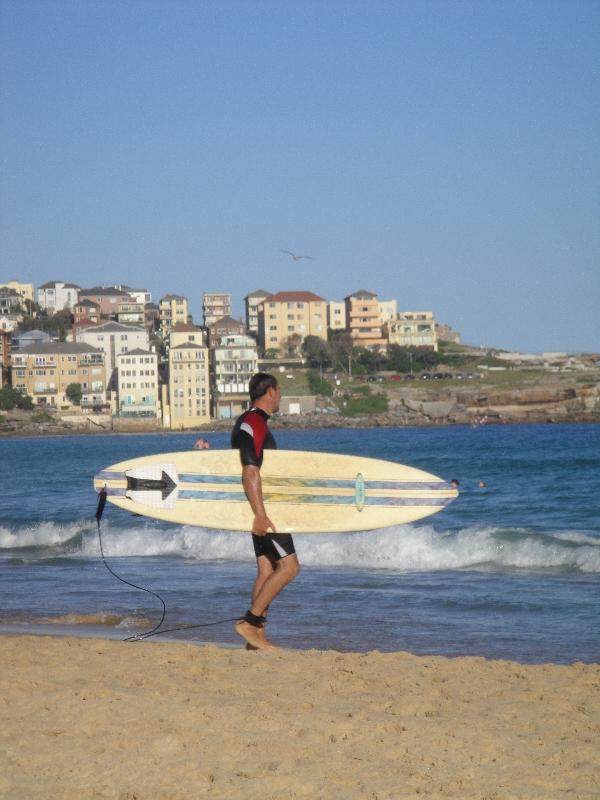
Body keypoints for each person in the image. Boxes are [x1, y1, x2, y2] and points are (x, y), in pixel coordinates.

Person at [231, 372, 300, 650]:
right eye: (279, 390)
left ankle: (255, 638)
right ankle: (250, 622)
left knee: (266, 568)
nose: (280, 395)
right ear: (270, 391)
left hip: (259, 507)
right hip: (265, 510)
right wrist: (260, 514)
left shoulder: (250, 421)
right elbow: (250, 470)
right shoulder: (253, 423)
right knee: (290, 567)